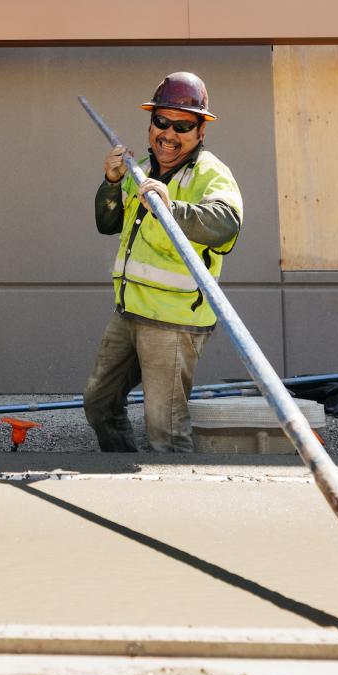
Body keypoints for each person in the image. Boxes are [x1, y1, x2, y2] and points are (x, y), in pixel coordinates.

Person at [84, 72, 242, 453]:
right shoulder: (141, 167)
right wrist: (110, 181)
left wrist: (173, 208)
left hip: (174, 323)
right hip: (129, 312)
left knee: (165, 432)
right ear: (151, 122)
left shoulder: (210, 173)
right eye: (162, 121)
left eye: (184, 125)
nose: (169, 134)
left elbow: (226, 224)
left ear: (201, 131)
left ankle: (175, 502)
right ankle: (123, 471)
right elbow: (107, 224)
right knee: (99, 403)